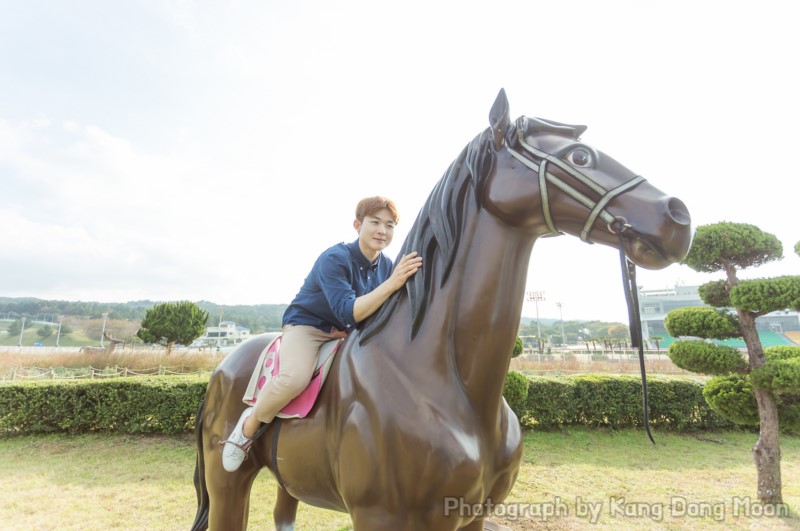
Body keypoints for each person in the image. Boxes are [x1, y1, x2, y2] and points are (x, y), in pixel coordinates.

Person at [222, 196, 422, 472]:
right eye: (375, 222)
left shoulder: (387, 266)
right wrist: (393, 284)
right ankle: (248, 425)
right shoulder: (335, 259)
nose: (382, 231)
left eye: (389, 226)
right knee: (294, 377)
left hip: (349, 333)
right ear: (357, 224)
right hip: (309, 327)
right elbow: (347, 311)